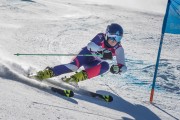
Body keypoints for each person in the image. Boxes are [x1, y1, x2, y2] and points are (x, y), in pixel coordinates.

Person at [35, 23, 127, 83]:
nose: (114, 41)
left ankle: (74, 79)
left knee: (105, 66)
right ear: (107, 34)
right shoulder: (100, 37)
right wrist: (102, 51)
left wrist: (118, 69)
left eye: (118, 38)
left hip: (94, 63)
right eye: (112, 37)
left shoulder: (118, 49)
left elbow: (123, 67)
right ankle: (46, 73)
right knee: (73, 67)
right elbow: (90, 46)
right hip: (85, 55)